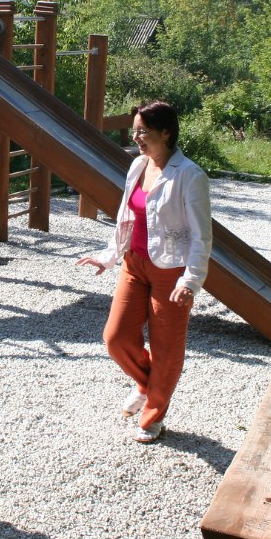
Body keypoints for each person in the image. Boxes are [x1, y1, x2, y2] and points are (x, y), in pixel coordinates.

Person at [76, 101, 212, 443]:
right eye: (134, 130)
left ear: (165, 133)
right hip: (134, 264)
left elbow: (201, 236)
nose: (136, 137)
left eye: (143, 131)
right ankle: (145, 383)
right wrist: (108, 257)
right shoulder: (138, 165)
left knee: (167, 349)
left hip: (171, 271)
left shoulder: (190, 175)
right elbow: (126, 217)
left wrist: (191, 280)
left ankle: (153, 416)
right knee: (116, 338)